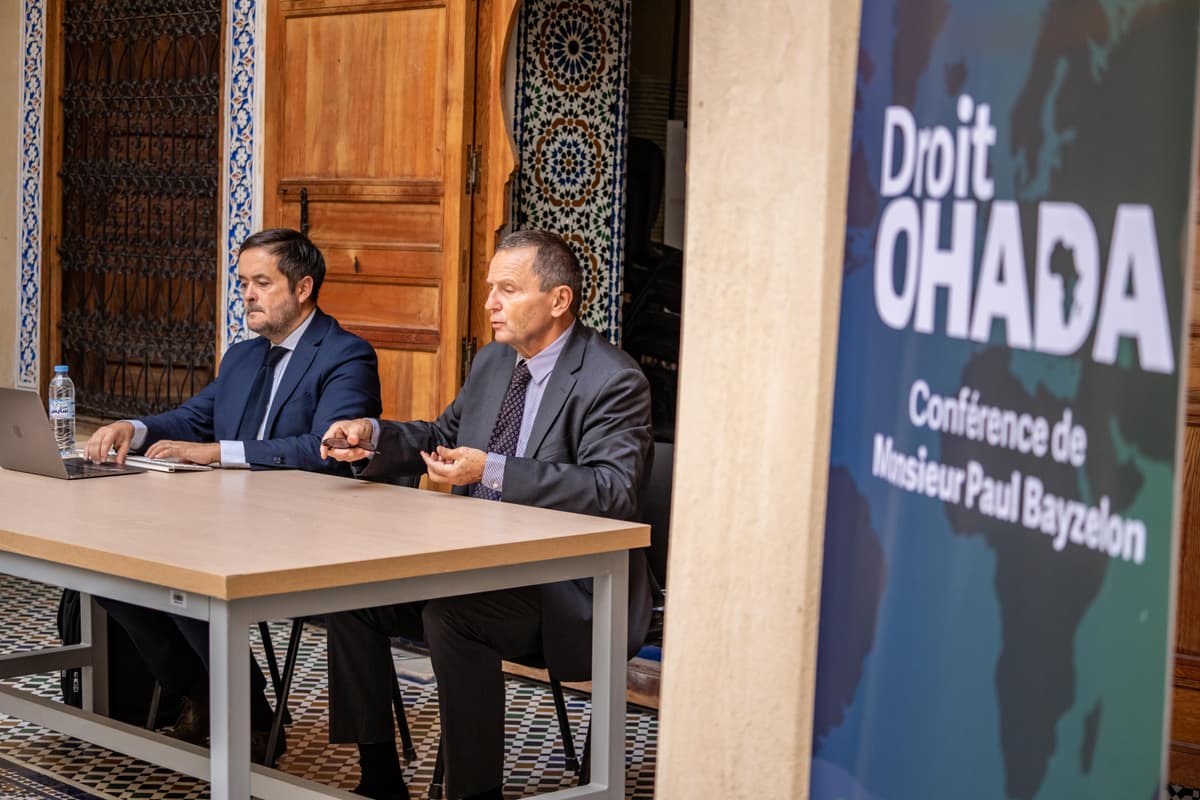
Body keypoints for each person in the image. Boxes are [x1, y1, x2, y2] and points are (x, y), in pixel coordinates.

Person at [319, 229, 654, 800]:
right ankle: (378, 776)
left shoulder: (613, 379)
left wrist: (492, 470)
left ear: (559, 300)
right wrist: (371, 437)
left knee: (453, 617)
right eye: (490, 288)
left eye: (507, 289)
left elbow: (612, 491)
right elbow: (442, 437)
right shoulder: (495, 361)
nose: (489, 303)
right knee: (351, 594)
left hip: (566, 587)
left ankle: (473, 793)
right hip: (473, 564)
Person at [83, 227, 382, 762]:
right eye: (243, 282)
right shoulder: (242, 357)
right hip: (228, 520)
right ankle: (210, 694)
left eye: (262, 283)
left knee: (182, 565)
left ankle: (246, 711)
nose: (247, 294)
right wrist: (134, 427)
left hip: (308, 528)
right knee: (109, 572)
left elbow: (326, 449)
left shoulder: (346, 355)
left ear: (303, 288)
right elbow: (193, 419)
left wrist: (218, 453)